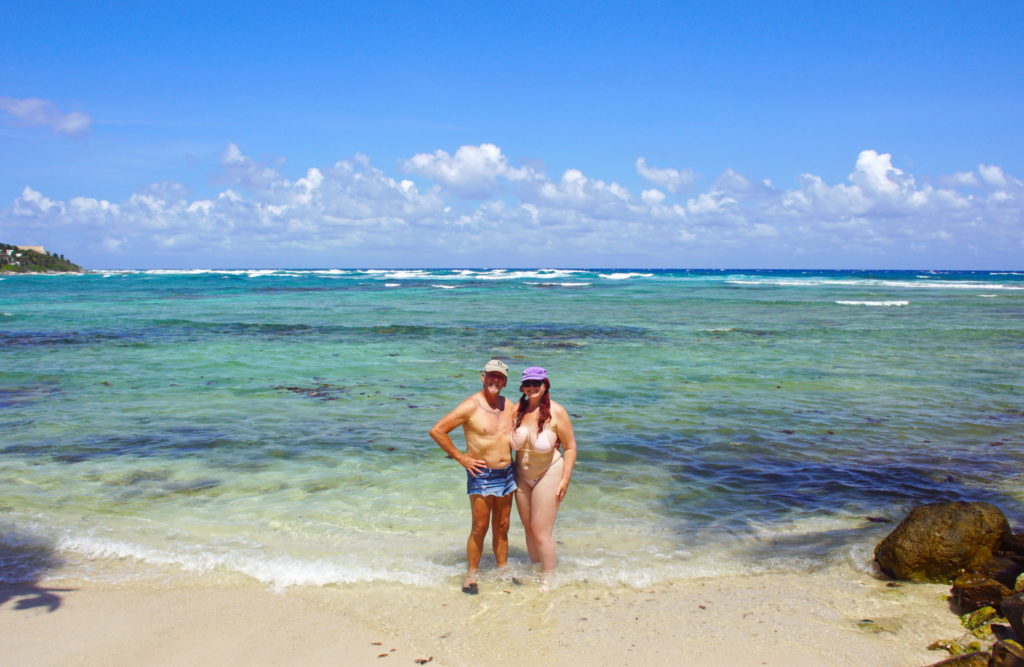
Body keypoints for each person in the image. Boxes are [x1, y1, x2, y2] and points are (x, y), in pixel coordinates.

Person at [429, 359, 516, 594]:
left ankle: (503, 569)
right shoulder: (471, 406)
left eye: (499, 377)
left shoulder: (509, 405)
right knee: (479, 527)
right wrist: (462, 458)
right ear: (482, 377)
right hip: (482, 474)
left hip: (508, 473)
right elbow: (437, 431)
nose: (495, 380)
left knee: (503, 525)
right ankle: (471, 575)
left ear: (505, 381)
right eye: (491, 375)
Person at [510, 366, 577, 591]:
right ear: (522, 386)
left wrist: (565, 480)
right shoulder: (516, 410)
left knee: (541, 530)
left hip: (549, 472)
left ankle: (549, 577)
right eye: (527, 384)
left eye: (536, 384)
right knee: (528, 527)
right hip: (521, 474)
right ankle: (535, 566)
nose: (531, 388)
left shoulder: (557, 412)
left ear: (545, 385)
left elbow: (570, 447)